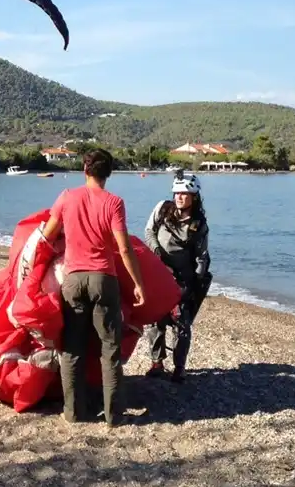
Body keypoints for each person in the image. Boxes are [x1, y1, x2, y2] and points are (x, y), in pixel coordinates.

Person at [37, 148, 147, 427]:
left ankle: (73, 412)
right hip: (102, 279)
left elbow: (47, 235)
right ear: (108, 173)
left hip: (73, 280)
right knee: (109, 348)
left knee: (72, 349)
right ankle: (114, 416)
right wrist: (138, 283)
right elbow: (123, 248)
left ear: (84, 169)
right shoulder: (114, 203)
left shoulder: (66, 197)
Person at [144, 172, 212, 381]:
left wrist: (195, 285)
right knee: (156, 321)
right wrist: (156, 250)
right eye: (177, 193)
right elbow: (149, 231)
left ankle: (179, 367)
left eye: (184, 194)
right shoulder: (162, 209)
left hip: (183, 280)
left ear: (194, 197)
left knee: (182, 325)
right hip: (158, 275)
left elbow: (202, 256)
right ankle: (157, 363)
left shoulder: (199, 225)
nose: (179, 197)